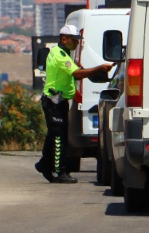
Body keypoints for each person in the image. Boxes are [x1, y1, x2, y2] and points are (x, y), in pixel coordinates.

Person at [37, 24, 113, 184]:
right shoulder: (60, 55)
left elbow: (76, 72)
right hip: (54, 102)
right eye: (74, 40)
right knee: (59, 137)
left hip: (58, 101)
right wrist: (99, 68)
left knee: (53, 135)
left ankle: (44, 164)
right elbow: (77, 74)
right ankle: (59, 171)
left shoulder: (63, 53)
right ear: (64, 39)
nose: (77, 43)